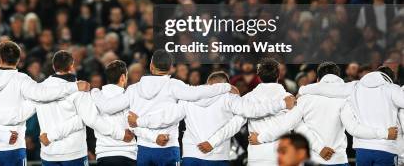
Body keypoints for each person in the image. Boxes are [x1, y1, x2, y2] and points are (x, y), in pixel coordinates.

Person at [91, 50, 236, 166]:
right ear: (170, 69)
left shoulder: (133, 90)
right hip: (169, 148)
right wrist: (226, 86)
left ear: (151, 66)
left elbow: (107, 107)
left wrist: (95, 92)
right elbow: (199, 93)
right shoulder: (174, 86)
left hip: (143, 150)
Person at [129, 71, 296, 166]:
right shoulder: (230, 99)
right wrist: (282, 104)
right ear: (225, 86)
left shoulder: (189, 99)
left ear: (208, 84)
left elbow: (165, 117)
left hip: (190, 158)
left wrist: (139, 121)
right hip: (218, 159)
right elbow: (253, 110)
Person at [249, 62, 398, 165]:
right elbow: (354, 129)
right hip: (339, 160)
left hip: (312, 160)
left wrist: (261, 138)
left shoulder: (305, 99)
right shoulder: (346, 98)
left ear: (318, 78)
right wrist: (384, 133)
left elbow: (286, 124)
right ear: (338, 77)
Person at [33, 51, 133, 166]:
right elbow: (92, 120)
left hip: (48, 152)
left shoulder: (39, 90)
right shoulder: (79, 90)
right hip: (73, 153)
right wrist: (120, 134)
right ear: (72, 66)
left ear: (53, 66)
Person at [299, 67, 404, 166]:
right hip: (386, 148)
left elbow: (329, 89)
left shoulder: (355, 87)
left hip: (362, 150)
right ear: (390, 79)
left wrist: (303, 90)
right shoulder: (392, 89)